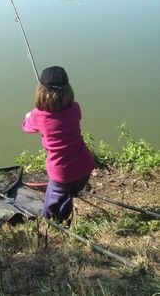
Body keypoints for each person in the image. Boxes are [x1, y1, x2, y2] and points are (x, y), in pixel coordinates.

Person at [22, 65, 96, 223]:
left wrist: (29, 116)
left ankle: (53, 226)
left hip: (61, 174)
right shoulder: (75, 108)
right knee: (70, 191)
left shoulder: (38, 115)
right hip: (85, 167)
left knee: (51, 207)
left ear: (41, 92)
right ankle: (69, 200)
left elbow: (27, 127)